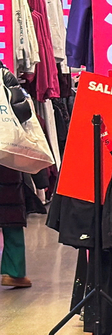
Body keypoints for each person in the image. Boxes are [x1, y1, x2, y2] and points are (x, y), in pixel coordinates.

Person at [0, 67, 35, 289]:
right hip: (4, 152)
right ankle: (14, 271)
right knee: (9, 211)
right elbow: (23, 111)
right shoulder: (3, 76)